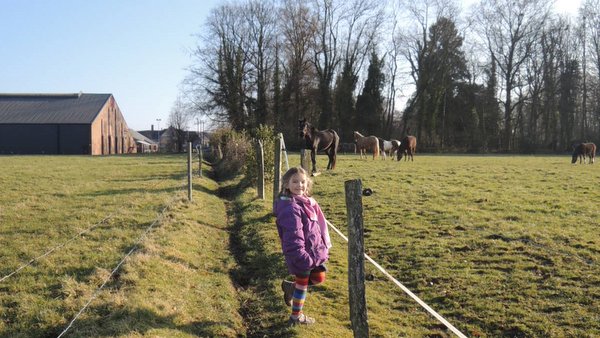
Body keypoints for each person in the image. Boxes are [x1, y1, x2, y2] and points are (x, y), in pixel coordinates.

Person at [274, 167, 332, 326]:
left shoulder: (307, 203)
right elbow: (293, 236)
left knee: (318, 277)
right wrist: (302, 257)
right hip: (302, 254)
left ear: (307, 184)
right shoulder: (291, 208)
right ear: (286, 184)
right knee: (303, 285)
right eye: (295, 181)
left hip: (312, 251)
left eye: (303, 182)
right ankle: (295, 317)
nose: (299, 185)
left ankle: (291, 288)